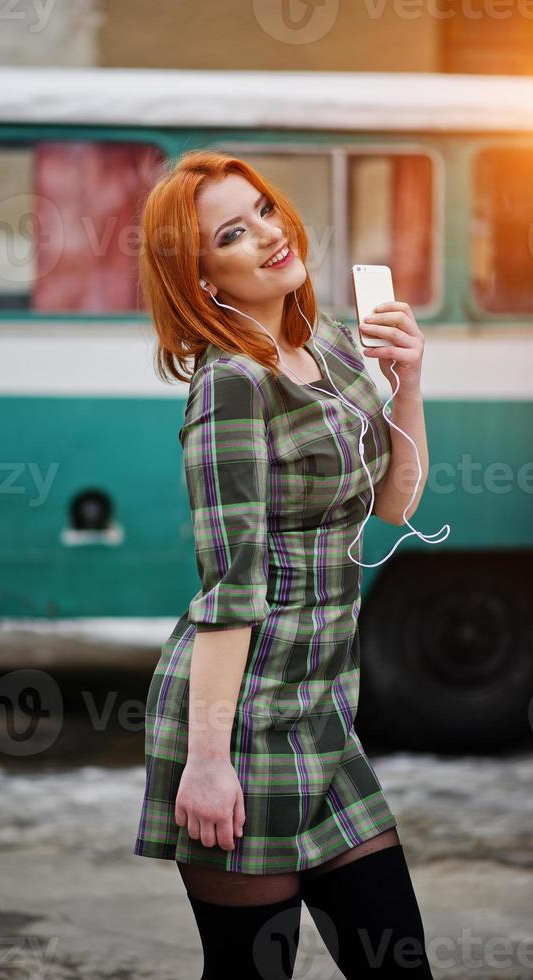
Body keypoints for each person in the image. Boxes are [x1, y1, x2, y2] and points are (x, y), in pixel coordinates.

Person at [133, 150, 434, 979]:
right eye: (234, 232)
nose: (269, 233)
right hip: (242, 727)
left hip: (326, 717)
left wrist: (405, 382)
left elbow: (395, 506)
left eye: (263, 209)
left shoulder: (329, 345)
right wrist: (206, 761)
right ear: (202, 282)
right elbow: (230, 590)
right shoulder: (229, 387)